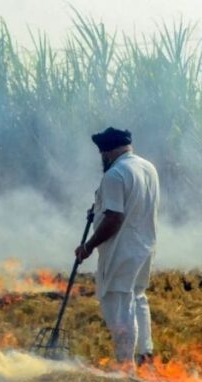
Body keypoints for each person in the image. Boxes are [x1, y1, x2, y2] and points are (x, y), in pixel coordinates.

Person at [75, 127, 160, 368]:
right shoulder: (147, 167)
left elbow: (114, 218)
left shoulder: (115, 174)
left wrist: (89, 246)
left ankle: (126, 367)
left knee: (120, 304)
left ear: (107, 152)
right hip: (144, 247)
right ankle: (146, 354)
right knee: (137, 297)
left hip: (122, 250)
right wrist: (98, 211)